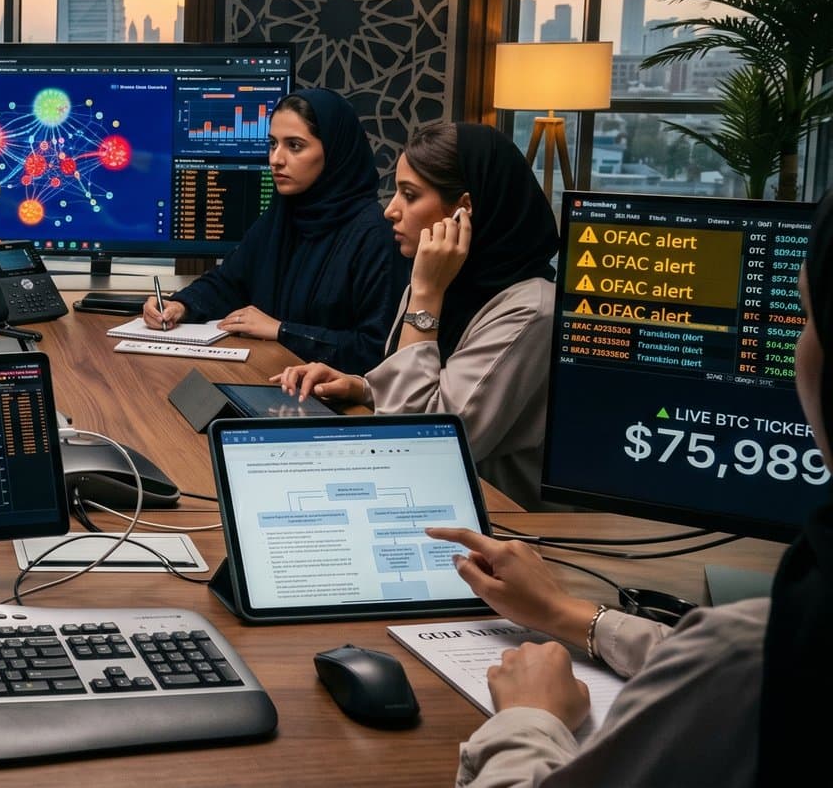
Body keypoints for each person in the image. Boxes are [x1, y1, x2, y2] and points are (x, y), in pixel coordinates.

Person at [423, 191, 833, 788]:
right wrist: (569, 614)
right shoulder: (754, 649)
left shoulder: (774, 659)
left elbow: (734, 660)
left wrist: (529, 719)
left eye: (806, 318)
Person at [276, 122, 558, 507]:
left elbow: (423, 444)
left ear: (464, 210)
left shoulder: (531, 311)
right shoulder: (446, 278)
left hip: (505, 527)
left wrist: (425, 295)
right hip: (431, 501)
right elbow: (424, 393)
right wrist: (363, 388)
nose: (390, 210)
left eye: (409, 195)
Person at [142, 88, 405, 371]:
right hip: (271, 378)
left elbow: (375, 350)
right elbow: (229, 283)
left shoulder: (375, 234)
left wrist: (281, 330)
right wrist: (181, 305)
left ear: (333, 150)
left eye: (294, 146)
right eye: (272, 144)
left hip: (334, 404)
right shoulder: (283, 215)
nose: (276, 159)